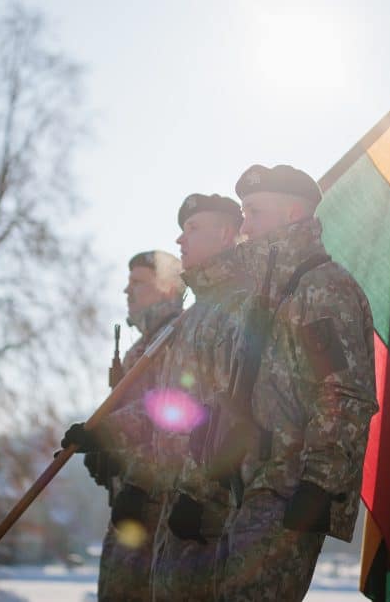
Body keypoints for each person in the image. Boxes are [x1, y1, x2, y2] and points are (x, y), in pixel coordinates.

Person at [210, 164, 378, 602]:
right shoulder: (261, 299)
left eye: (254, 212)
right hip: (248, 490)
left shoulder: (322, 288)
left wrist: (319, 485)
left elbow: (344, 394)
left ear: (291, 214)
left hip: (288, 493)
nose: (243, 225)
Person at [62, 250, 185, 602]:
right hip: (132, 500)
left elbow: (170, 415)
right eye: (128, 283)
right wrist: (108, 454)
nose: (127, 292)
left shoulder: (174, 340)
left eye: (138, 283)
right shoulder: (143, 347)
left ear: (166, 287)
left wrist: (108, 435)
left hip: (157, 504)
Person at [148, 193, 250, 601]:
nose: (179, 241)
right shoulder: (199, 309)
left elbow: (227, 415)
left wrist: (197, 493)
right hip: (179, 501)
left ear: (225, 234)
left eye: (191, 229)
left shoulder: (238, 306)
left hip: (210, 513)